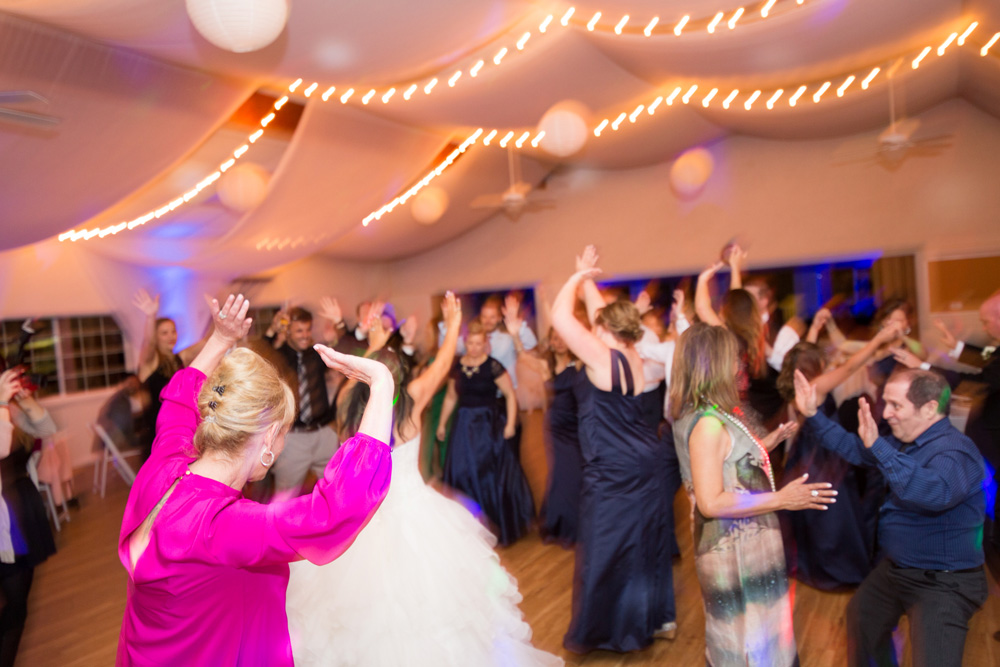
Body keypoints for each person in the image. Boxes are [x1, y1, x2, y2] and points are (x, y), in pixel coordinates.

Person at [286, 293, 562, 667]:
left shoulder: (350, 402)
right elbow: (445, 361)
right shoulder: (409, 400)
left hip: (363, 518)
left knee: (360, 608)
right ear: (397, 376)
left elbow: (366, 372)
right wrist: (452, 323)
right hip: (416, 513)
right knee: (433, 600)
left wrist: (369, 338)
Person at [116, 294, 393, 666]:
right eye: (284, 434)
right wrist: (382, 382)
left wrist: (221, 338)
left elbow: (179, 401)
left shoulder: (164, 464)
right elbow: (335, 511)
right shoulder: (222, 527)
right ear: (268, 437)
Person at [793, 367, 986, 666]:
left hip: (943, 582)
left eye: (897, 405)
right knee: (863, 621)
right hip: (898, 569)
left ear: (930, 409)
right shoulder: (903, 441)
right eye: (887, 403)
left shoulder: (955, 452)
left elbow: (934, 493)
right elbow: (854, 449)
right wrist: (813, 414)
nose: (887, 414)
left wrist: (879, 447)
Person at [671, 322, 836, 667]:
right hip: (734, 549)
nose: (740, 361)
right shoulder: (708, 425)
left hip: (747, 539)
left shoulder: (714, 412)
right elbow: (711, 501)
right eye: (733, 355)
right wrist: (783, 499)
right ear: (714, 362)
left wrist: (763, 445)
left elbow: (725, 462)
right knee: (744, 642)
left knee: (763, 636)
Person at [550, 246, 675, 653]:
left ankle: (606, 631)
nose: (592, 325)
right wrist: (586, 277)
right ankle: (638, 622)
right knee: (637, 547)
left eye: (597, 323)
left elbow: (560, 319)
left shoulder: (603, 357)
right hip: (644, 462)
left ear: (605, 329)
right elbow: (599, 312)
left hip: (614, 470)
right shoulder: (631, 355)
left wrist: (570, 281)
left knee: (604, 549)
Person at [776, 318, 904, 589]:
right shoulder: (816, 386)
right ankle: (838, 570)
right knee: (832, 516)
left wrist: (815, 330)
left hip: (806, 452)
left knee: (815, 514)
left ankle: (816, 564)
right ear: (814, 365)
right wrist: (879, 339)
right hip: (824, 454)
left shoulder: (799, 386)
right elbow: (849, 366)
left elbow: (822, 358)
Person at [892, 290, 1000, 552]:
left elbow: (979, 378)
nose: (983, 328)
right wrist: (958, 347)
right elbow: (990, 354)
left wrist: (924, 368)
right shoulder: (993, 347)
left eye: (986, 322)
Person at [438, 319, 534, 545]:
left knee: (487, 474)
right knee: (461, 473)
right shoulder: (458, 367)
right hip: (463, 425)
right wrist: (442, 424)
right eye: (470, 343)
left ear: (485, 344)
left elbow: (510, 395)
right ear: (465, 343)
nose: (474, 347)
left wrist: (510, 424)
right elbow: (451, 397)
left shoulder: (493, 366)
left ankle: (491, 523)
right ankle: (466, 527)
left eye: (478, 343)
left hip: (487, 426)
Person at [0, 368, 57, 667]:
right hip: (2, 516)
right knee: (14, 602)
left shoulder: (11, 408)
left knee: (19, 601)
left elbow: (47, 429)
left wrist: (25, 399)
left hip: (22, 506)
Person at [264, 306, 340, 494]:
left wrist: (338, 333)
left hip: (324, 434)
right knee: (285, 494)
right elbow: (260, 354)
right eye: (299, 330)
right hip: (293, 438)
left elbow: (350, 355)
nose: (305, 335)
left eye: (308, 330)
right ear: (288, 330)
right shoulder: (280, 356)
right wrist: (272, 332)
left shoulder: (317, 354)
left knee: (336, 488)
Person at [133, 289, 210, 459]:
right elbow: (149, 342)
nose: (170, 336)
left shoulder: (179, 358)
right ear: (157, 336)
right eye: (164, 333)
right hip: (158, 435)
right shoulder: (149, 363)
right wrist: (151, 316)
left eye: (173, 331)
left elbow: (207, 343)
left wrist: (219, 319)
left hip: (181, 430)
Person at [538, 328, 584, 546]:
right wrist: (517, 337)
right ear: (550, 342)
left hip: (575, 425)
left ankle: (572, 523)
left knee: (574, 474)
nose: (559, 342)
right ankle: (557, 522)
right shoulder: (546, 366)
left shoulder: (577, 364)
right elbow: (524, 356)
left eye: (563, 338)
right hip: (555, 426)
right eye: (555, 338)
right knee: (559, 472)